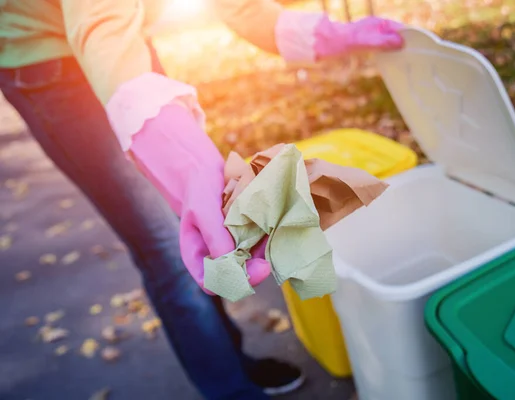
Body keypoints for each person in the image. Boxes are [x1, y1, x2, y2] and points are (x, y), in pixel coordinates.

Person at [0, 0, 403, 398]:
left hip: (122, 37)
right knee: (164, 245)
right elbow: (96, 18)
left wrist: (329, 34)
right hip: (46, 62)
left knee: (190, 228)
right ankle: (229, 390)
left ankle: (231, 360)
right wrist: (183, 156)